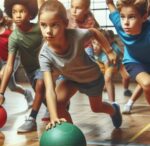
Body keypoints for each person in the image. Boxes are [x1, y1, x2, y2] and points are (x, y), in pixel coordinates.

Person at [38, 0, 122, 129]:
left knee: (96, 108)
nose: (48, 31)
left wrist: (109, 51)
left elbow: (94, 32)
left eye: (54, 25)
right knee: (58, 104)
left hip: (92, 78)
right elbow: (49, 89)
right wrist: (53, 116)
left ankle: (114, 110)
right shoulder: (44, 55)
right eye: (43, 25)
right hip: (71, 79)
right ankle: (71, 134)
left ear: (65, 24)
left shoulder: (75, 35)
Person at [0, 0, 47, 133]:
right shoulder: (14, 37)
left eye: (22, 11)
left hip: (46, 66)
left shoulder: (40, 28)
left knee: (40, 85)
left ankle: (31, 119)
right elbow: (9, 66)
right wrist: (1, 93)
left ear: (31, 13)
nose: (18, 15)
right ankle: (58, 105)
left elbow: (44, 10)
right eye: (14, 12)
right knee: (42, 96)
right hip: (30, 71)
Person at [105, 0, 150, 112]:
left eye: (131, 17)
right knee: (147, 83)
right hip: (133, 61)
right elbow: (109, 3)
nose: (125, 22)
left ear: (144, 17)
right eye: (122, 17)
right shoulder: (119, 24)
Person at [0, 9, 33, 109]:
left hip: (13, 58)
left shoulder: (10, 34)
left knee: (4, 76)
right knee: (12, 87)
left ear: (1, 19)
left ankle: (27, 93)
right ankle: (26, 93)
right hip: (1, 60)